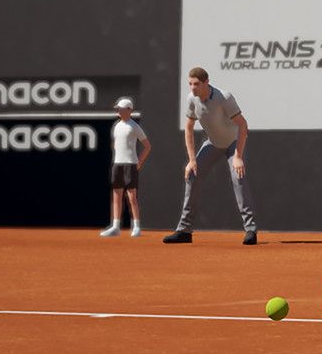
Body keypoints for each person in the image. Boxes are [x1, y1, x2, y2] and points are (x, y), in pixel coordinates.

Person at [163, 67, 257, 245]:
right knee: (192, 175)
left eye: (196, 84)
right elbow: (189, 128)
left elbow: (243, 125)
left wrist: (238, 156)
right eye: (190, 84)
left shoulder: (224, 97)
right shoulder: (192, 99)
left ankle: (251, 229)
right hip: (213, 143)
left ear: (206, 82)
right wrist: (192, 160)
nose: (193, 88)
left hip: (233, 143)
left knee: (238, 178)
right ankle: (184, 231)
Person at [101, 97, 150, 238]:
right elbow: (115, 144)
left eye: (121, 109)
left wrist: (139, 162)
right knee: (116, 195)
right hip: (117, 164)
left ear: (129, 110)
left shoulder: (134, 126)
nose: (118, 111)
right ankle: (115, 227)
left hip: (130, 164)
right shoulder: (116, 126)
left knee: (131, 196)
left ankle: (137, 227)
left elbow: (147, 146)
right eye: (118, 109)